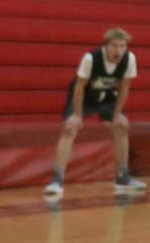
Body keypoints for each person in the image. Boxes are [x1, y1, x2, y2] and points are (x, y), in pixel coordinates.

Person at [45, 28, 144, 200]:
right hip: (85, 97)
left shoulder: (130, 59)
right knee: (69, 129)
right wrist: (76, 115)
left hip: (107, 97)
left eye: (122, 46)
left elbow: (125, 87)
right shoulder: (90, 58)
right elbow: (79, 86)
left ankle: (122, 177)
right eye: (114, 46)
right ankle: (57, 179)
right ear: (105, 46)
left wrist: (118, 113)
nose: (119, 50)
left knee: (120, 127)